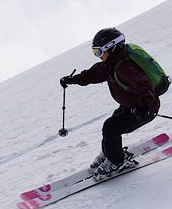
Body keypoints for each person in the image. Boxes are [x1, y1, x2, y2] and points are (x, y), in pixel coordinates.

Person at [60, 27, 160, 177]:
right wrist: (72, 80)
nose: (97, 56)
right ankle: (110, 153)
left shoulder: (124, 68)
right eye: (95, 52)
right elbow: (92, 74)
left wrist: (145, 105)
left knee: (111, 127)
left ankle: (116, 162)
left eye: (99, 52)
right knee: (111, 125)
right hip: (130, 106)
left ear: (111, 48)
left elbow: (144, 85)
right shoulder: (110, 65)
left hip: (144, 109)